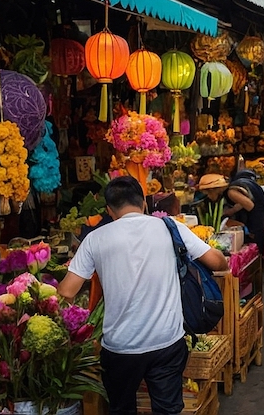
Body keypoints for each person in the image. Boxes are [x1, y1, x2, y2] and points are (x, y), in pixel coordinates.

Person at [58, 176, 227, 415]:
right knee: (167, 410)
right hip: (167, 341)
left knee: (121, 409)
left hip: (120, 348)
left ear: (110, 210)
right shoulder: (170, 227)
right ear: (144, 204)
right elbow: (216, 262)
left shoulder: (95, 239)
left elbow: (67, 292)